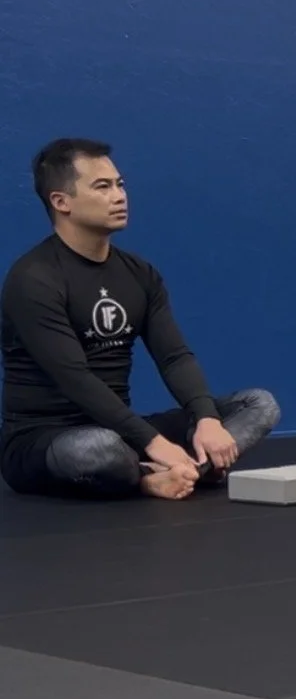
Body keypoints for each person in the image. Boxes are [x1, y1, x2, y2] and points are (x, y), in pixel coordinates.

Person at [1, 138, 279, 500]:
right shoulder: (33, 279)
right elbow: (75, 379)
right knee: (97, 448)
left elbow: (174, 357)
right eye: (102, 186)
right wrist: (154, 443)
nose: (119, 196)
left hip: (121, 432)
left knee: (259, 404)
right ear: (61, 201)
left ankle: (183, 470)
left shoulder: (139, 274)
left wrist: (206, 418)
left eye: (120, 184)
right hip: (45, 442)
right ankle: (152, 477)